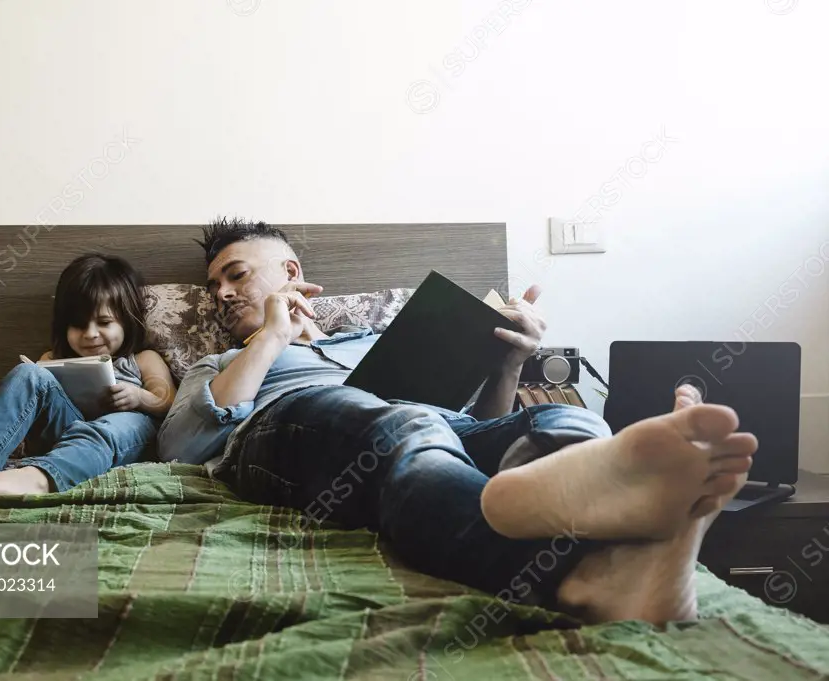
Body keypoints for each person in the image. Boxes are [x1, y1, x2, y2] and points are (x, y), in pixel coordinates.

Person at [158, 218, 758, 624]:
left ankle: (635, 543)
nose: (221, 295)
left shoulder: (375, 342)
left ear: (291, 273)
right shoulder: (220, 361)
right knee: (401, 426)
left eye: (236, 275)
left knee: (552, 421)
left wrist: (508, 364)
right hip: (287, 431)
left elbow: (468, 427)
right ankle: (577, 569)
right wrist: (270, 337)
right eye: (213, 288)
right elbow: (181, 447)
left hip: (422, 425)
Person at [0, 253, 176, 496]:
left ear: (127, 320)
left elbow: (167, 400)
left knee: (116, 425)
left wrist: (139, 397)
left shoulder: (142, 359)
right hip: (63, 436)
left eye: (104, 322)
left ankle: (36, 479)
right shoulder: (52, 360)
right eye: (78, 325)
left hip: (122, 440)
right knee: (28, 372)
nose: (90, 334)